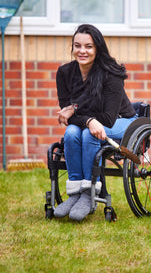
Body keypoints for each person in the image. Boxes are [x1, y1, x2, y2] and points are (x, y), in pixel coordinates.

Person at [54, 24, 137, 221]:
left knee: (87, 133)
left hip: (121, 121)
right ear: (72, 47)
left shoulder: (112, 73)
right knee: (72, 133)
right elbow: (67, 115)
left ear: (97, 48)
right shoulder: (65, 73)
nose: (82, 51)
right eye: (77, 45)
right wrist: (88, 119)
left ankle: (89, 193)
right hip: (90, 124)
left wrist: (76, 110)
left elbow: (107, 118)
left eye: (89, 46)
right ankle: (75, 193)